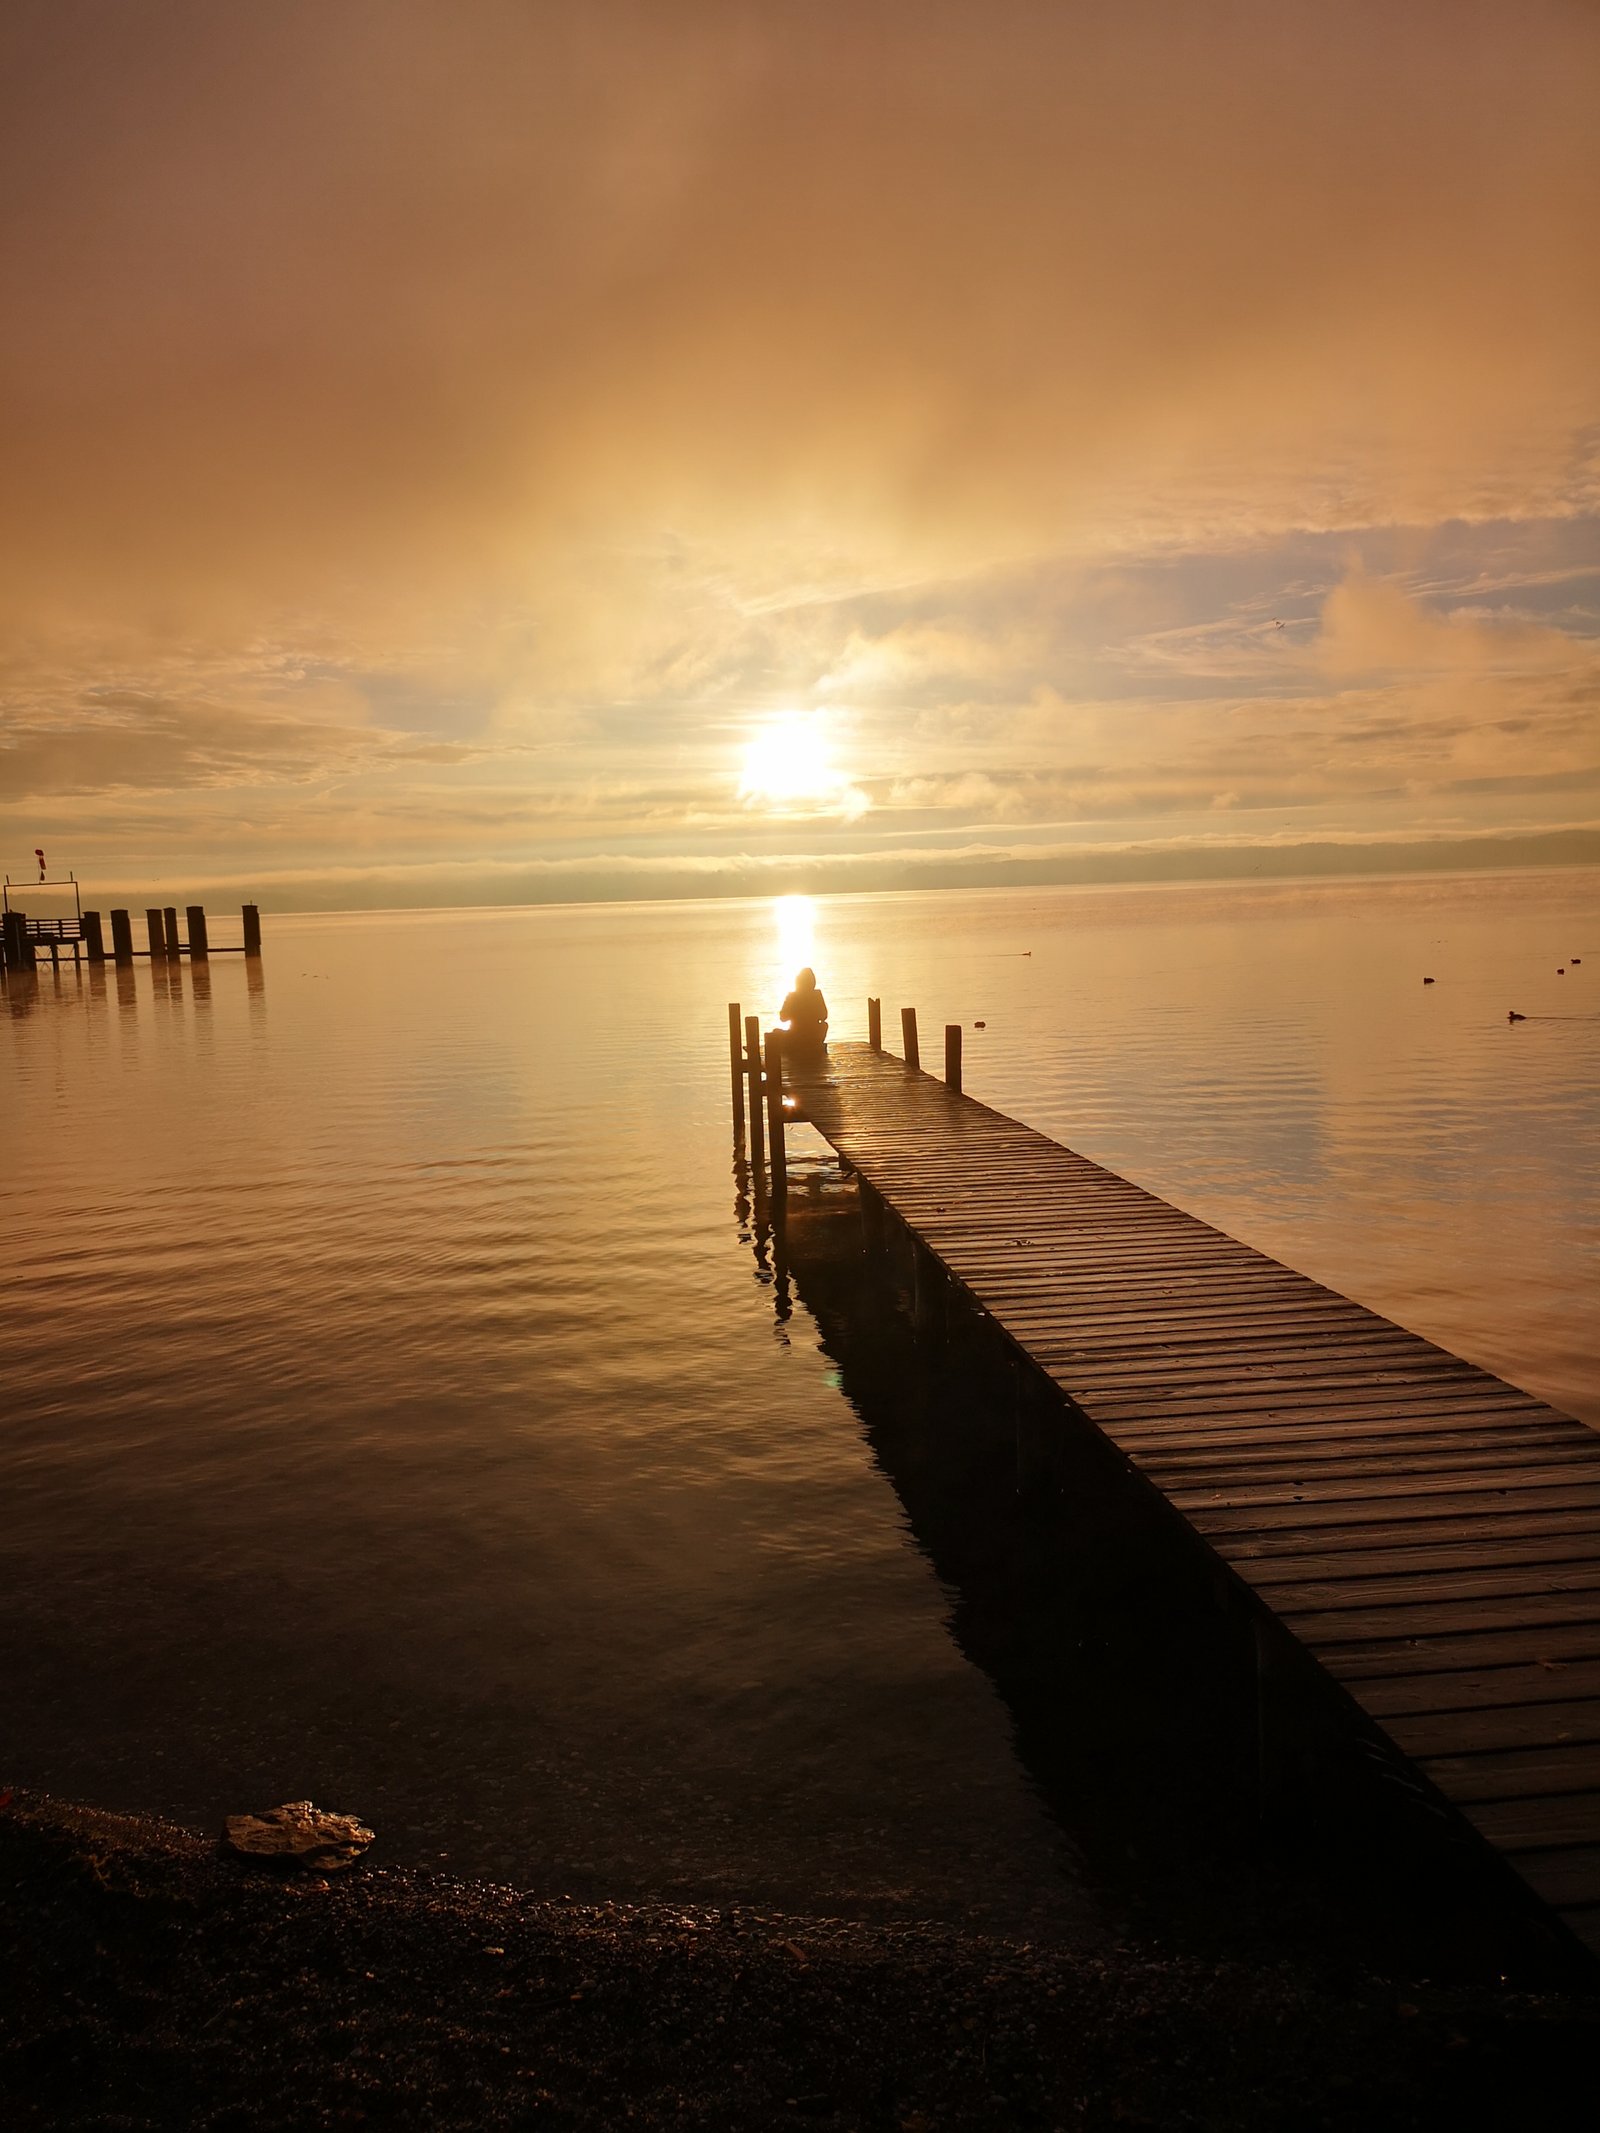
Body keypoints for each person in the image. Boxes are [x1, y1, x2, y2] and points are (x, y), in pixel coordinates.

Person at [780, 967, 828, 1054]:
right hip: (814, 1035)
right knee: (824, 1025)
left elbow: (783, 1018)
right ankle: (813, 1045)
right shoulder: (817, 995)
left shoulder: (792, 997)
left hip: (796, 1035)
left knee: (775, 1033)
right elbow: (824, 1015)